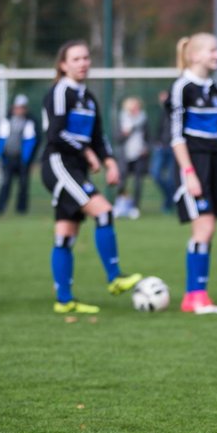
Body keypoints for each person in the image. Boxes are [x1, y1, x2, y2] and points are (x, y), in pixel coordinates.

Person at [39, 40, 142, 314]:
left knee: (65, 234)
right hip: (59, 164)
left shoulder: (88, 96)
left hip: (76, 168)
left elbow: (98, 136)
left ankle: (64, 301)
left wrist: (110, 162)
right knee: (105, 212)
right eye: (76, 59)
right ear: (63, 65)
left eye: (86, 58)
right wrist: (86, 152)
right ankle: (115, 277)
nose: (83, 63)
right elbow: (55, 135)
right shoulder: (61, 92)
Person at [167, 33, 217, 314]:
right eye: (212, 50)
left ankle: (199, 295)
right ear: (194, 55)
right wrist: (189, 172)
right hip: (194, 163)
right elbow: (175, 136)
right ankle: (193, 295)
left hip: (216, 163)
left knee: (210, 229)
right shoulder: (182, 87)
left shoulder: (216, 89)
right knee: (203, 228)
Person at [0, 95, 37, 216]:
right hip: (8, 158)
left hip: (21, 160)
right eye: (17, 107)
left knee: (23, 185)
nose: (19, 110)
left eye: (22, 108)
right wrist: (1, 156)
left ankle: (21, 210)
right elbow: (1, 140)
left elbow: (30, 142)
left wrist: (25, 159)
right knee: (5, 183)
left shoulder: (29, 122)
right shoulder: (6, 121)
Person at [114, 96, 149, 219]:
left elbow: (148, 137)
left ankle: (135, 207)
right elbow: (117, 138)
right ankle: (120, 204)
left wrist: (146, 147)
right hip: (125, 154)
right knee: (122, 180)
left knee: (138, 182)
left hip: (139, 154)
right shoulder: (122, 119)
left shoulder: (143, 119)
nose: (135, 109)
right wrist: (125, 134)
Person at [149, 89, 177, 213]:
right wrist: (157, 142)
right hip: (161, 148)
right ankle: (170, 198)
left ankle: (169, 204)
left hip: (175, 148)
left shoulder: (177, 112)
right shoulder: (162, 113)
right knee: (155, 174)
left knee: (172, 179)